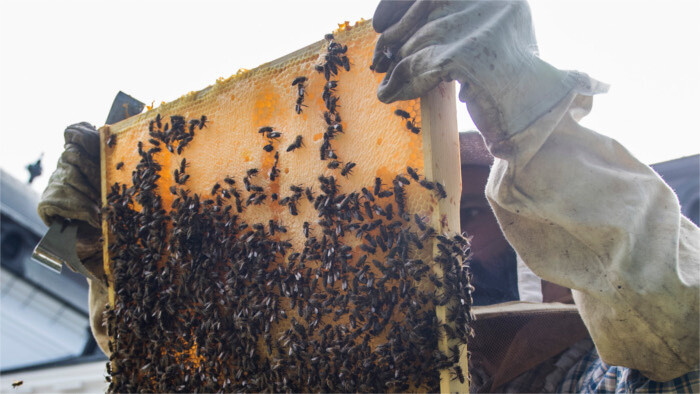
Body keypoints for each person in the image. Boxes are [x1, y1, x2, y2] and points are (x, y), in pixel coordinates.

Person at [37, 0, 698, 392]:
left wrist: (540, 129)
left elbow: (681, 351)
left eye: (473, 211)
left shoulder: (574, 377)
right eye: (414, 213)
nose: (450, 234)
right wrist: (135, 269)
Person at [370, 0, 698, 391]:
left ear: (541, 224)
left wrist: (536, 129)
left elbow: (685, 344)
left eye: (467, 212)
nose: (439, 237)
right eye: (418, 224)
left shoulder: (585, 376)